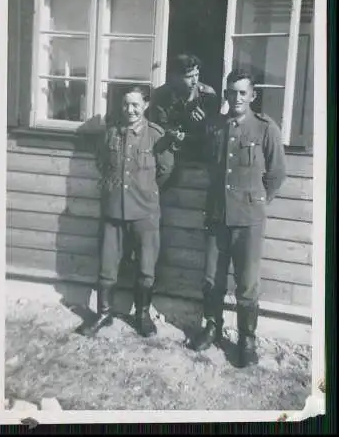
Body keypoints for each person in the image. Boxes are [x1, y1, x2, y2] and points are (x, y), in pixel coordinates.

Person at [189, 70, 287, 368]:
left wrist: (257, 201)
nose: (236, 98)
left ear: (253, 96)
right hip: (218, 215)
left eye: (243, 92)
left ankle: (246, 338)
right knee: (211, 278)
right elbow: (209, 164)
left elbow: (277, 173)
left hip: (249, 220)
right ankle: (212, 327)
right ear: (226, 94)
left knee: (246, 284)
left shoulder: (265, 128)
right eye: (232, 92)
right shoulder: (216, 126)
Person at [78, 86, 175, 338]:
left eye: (135, 105)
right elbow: (103, 164)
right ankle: (104, 313)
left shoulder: (155, 135)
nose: (129, 110)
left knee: (145, 268)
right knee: (107, 266)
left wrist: (144, 189)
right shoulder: (111, 133)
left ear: (145, 105)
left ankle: (141, 315)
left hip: (145, 212)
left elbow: (165, 170)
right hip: (114, 211)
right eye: (125, 105)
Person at [147, 54, 219, 162]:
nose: (195, 81)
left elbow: (215, 131)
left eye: (197, 75)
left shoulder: (207, 95)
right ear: (175, 77)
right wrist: (172, 132)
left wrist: (205, 122)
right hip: (168, 151)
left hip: (197, 155)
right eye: (189, 77)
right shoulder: (161, 95)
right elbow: (157, 126)